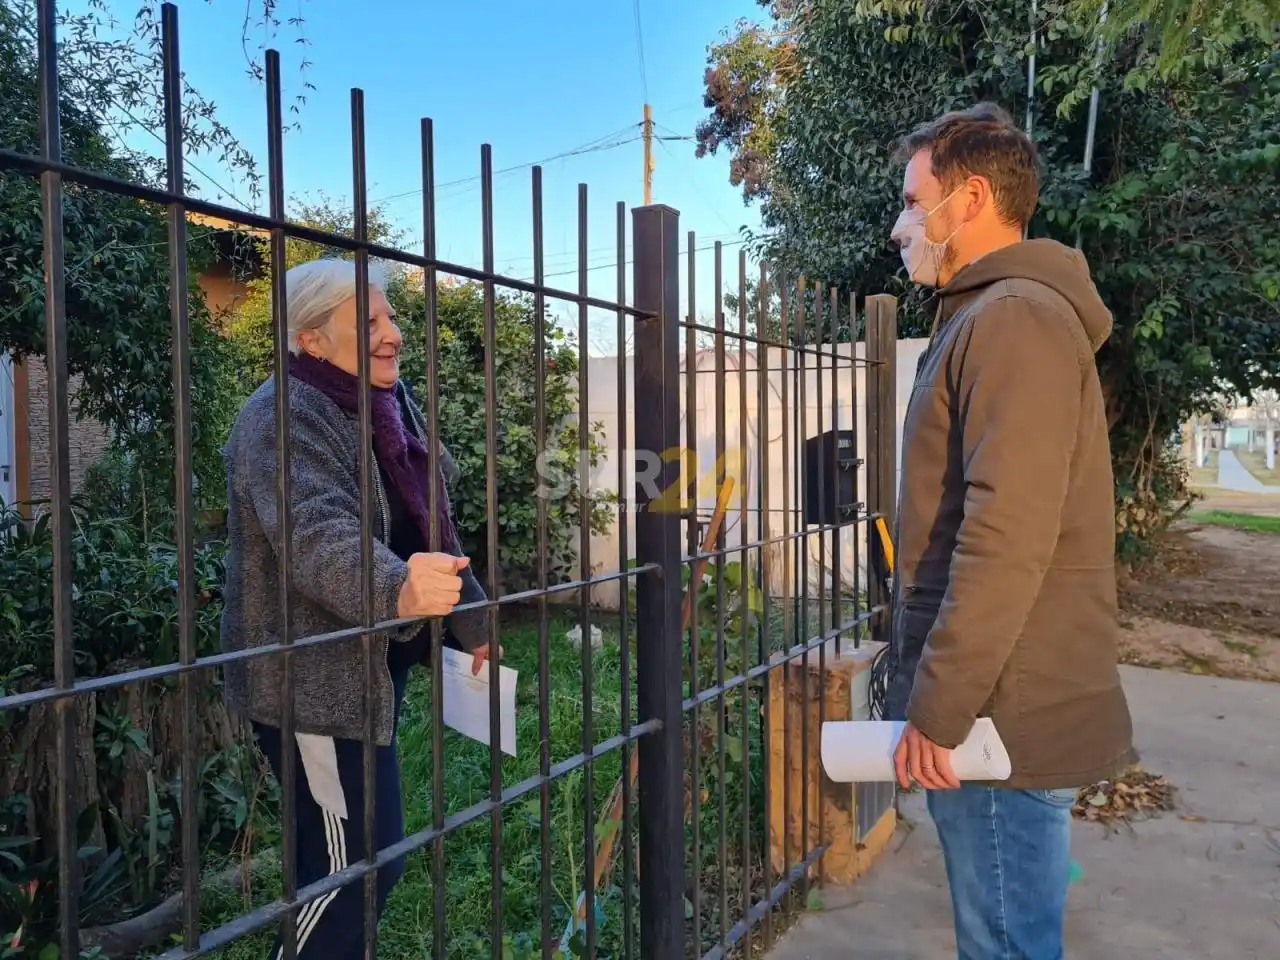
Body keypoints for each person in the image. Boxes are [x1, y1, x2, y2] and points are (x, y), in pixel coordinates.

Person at [885, 103, 1136, 960]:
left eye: (914, 201)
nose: (902, 226)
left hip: (1000, 712)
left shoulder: (1014, 318)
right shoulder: (988, 314)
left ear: (972, 198)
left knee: (1006, 944)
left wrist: (941, 705)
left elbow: (1005, 534)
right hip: (996, 698)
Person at [220, 258, 494, 959]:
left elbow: (428, 519)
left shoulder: (383, 402)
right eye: (367, 322)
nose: (393, 334)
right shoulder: (282, 416)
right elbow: (317, 533)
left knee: (359, 859)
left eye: (390, 316)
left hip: (369, 666)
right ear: (311, 339)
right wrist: (396, 588)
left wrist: (471, 622)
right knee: (353, 871)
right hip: (310, 682)